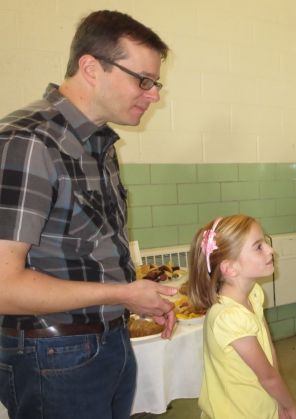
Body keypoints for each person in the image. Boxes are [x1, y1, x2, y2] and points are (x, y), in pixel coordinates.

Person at [0, 10, 177, 419]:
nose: (153, 95)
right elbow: (4, 286)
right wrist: (122, 294)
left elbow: (90, 256)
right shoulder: (28, 141)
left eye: (156, 83)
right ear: (91, 68)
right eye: (144, 80)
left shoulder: (100, 145)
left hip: (108, 341)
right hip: (54, 355)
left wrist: (135, 299)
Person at [187, 215, 296, 419]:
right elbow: (268, 378)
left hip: (261, 405)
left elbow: (269, 354)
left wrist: (278, 401)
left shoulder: (253, 293)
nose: (270, 250)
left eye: (265, 242)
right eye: (258, 247)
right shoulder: (229, 318)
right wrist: (289, 405)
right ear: (230, 268)